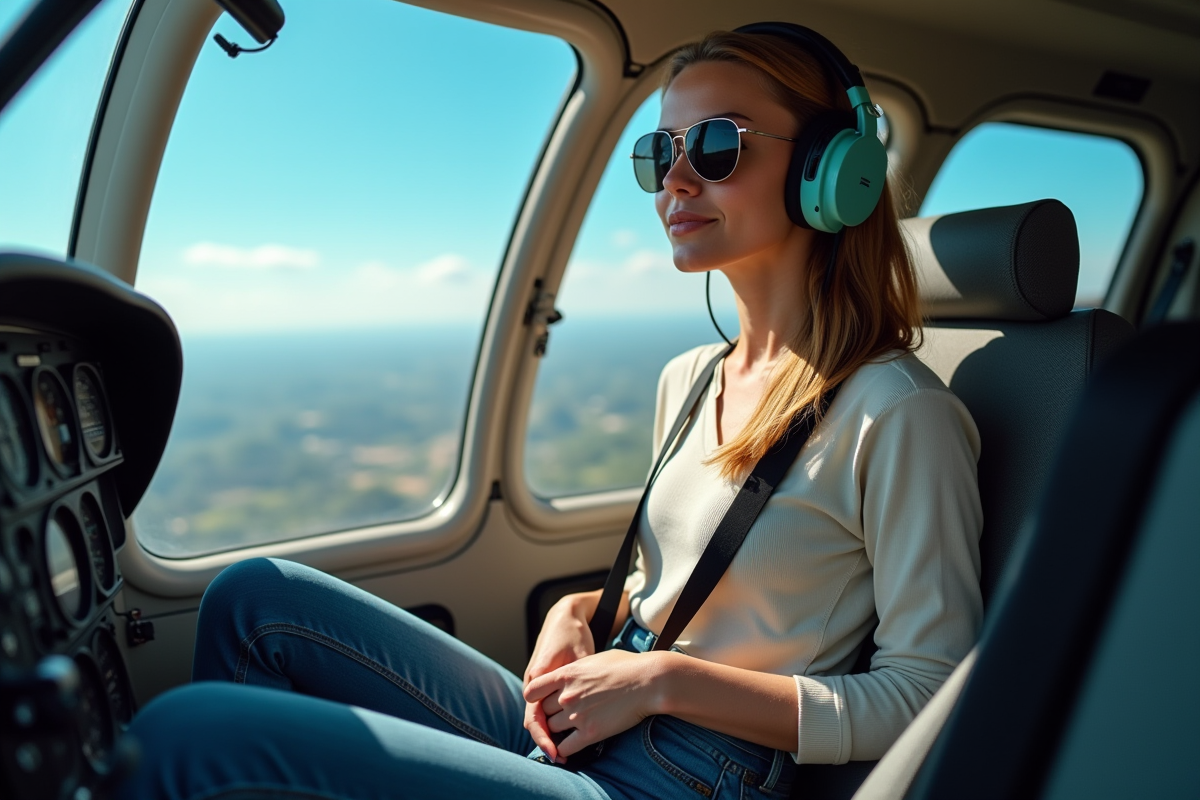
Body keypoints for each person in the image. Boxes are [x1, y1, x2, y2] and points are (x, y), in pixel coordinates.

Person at [116, 26, 982, 800]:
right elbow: (687, 591)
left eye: (717, 146)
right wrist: (579, 612)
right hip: (608, 711)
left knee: (184, 737)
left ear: (832, 169)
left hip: (690, 776)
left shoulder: (896, 415)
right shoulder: (690, 378)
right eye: (661, 151)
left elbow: (932, 693)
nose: (674, 180)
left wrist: (661, 685)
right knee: (252, 601)